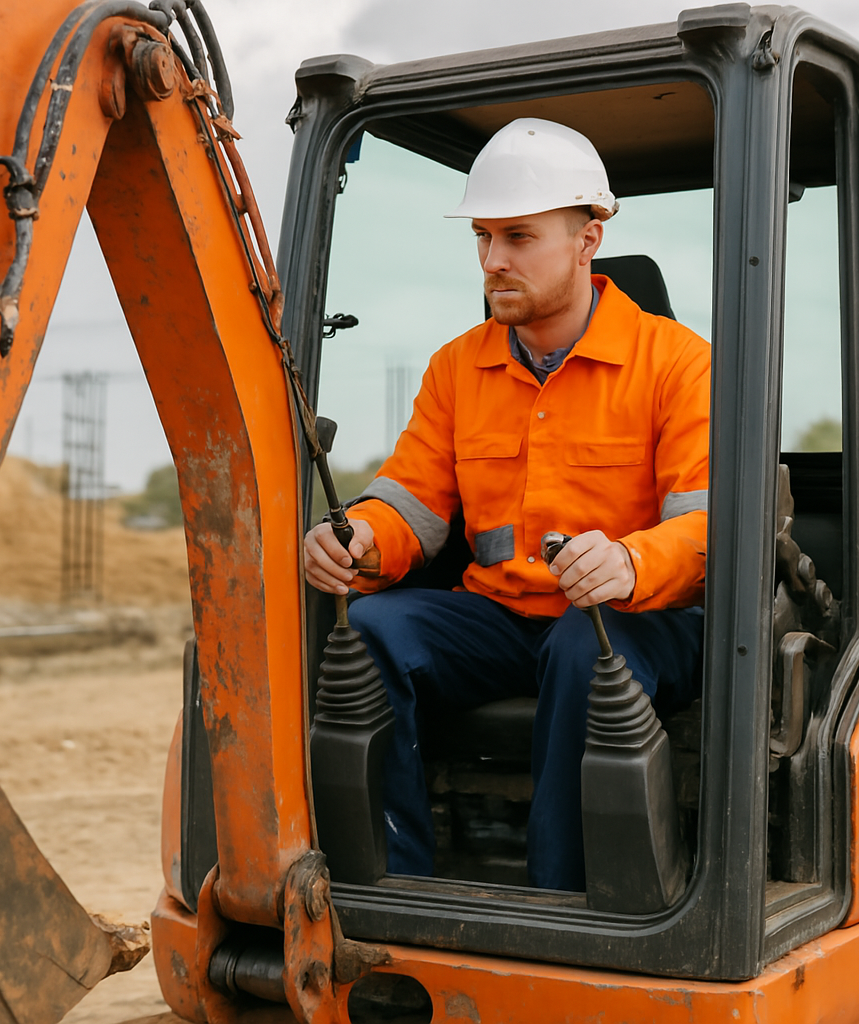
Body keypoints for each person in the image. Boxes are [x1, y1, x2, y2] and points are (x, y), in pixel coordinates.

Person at [303, 117, 709, 892]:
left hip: (639, 620)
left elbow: (707, 525)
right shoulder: (457, 369)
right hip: (499, 618)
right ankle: (392, 891)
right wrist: (359, 541)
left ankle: (561, 904)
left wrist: (630, 561)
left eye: (518, 237)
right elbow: (411, 502)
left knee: (585, 646)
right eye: (483, 238)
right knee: (374, 628)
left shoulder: (677, 365)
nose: (494, 260)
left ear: (588, 241)